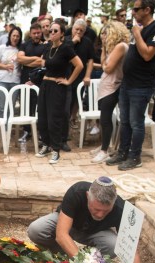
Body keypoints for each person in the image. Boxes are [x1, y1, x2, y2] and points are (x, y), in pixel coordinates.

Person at [27, 176, 155, 263]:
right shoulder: (77, 191)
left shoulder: (122, 209)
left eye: (106, 211)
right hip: (69, 226)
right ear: (88, 196)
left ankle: (92, 260)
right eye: (96, 209)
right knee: (36, 229)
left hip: (96, 233)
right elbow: (61, 235)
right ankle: (69, 257)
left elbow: (131, 250)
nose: (100, 214)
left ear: (113, 203)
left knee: (114, 245)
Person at [105, 0, 155, 171]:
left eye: (136, 9)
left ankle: (135, 156)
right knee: (124, 121)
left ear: (147, 10)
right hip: (128, 83)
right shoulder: (139, 28)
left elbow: (147, 55)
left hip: (142, 85)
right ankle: (122, 152)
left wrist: (137, 34)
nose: (133, 12)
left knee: (136, 123)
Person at [35, 21, 83, 165]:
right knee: (42, 117)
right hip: (45, 85)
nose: (52, 33)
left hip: (57, 86)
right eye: (50, 31)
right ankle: (46, 145)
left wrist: (68, 81)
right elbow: (42, 64)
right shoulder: (48, 47)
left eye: (55, 31)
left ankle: (55, 149)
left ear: (62, 33)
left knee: (53, 119)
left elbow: (79, 65)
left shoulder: (66, 48)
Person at [91, 21, 130, 164]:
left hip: (113, 86)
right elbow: (104, 65)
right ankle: (104, 146)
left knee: (106, 119)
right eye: (101, 33)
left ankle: (104, 151)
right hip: (107, 85)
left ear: (114, 33)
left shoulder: (121, 46)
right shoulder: (112, 48)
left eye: (105, 33)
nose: (102, 36)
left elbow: (107, 68)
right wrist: (104, 49)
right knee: (104, 118)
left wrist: (105, 53)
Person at [67, 19, 95, 152]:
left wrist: (87, 75)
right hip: (66, 76)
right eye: (76, 29)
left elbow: (90, 60)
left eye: (81, 31)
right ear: (72, 28)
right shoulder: (66, 40)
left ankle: (73, 118)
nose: (78, 32)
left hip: (80, 76)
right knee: (65, 102)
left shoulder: (88, 42)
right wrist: (73, 42)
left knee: (76, 101)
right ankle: (64, 130)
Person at [16, 22, 45, 143]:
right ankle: (27, 132)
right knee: (26, 106)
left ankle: (40, 132)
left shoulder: (45, 45)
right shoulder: (24, 45)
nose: (37, 35)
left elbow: (42, 62)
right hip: (25, 79)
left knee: (39, 107)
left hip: (39, 80)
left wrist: (26, 61)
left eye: (38, 33)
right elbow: (19, 59)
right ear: (31, 33)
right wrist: (35, 59)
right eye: (34, 33)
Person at [0, 26, 22, 140]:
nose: (15, 38)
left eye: (18, 36)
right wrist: (5, 66)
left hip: (15, 81)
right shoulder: (2, 48)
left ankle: (7, 129)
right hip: (1, 81)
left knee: (11, 107)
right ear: (9, 36)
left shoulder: (21, 50)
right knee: (0, 107)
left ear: (20, 38)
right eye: (13, 35)